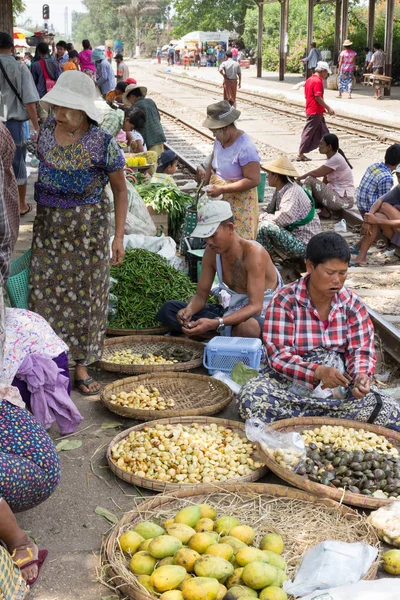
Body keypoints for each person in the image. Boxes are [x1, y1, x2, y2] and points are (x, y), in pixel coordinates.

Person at [238, 232, 400, 431]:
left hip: (338, 387)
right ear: (310, 267)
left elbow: (361, 351)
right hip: (290, 385)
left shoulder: (352, 303)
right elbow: (279, 357)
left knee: (388, 409)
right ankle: (339, 419)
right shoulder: (285, 300)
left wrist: (361, 377)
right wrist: (317, 371)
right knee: (250, 398)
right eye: (330, 273)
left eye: (342, 273)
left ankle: (307, 419)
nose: (337, 280)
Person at [28, 71, 128, 395]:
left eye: (65, 109)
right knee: (45, 295)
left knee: (86, 298)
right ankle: (49, 364)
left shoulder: (103, 143)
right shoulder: (45, 132)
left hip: (87, 234)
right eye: (56, 106)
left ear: (83, 111)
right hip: (48, 234)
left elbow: (120, 191)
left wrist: (119, 237)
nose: (58, 114)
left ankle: (81, 367)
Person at [157, 200, 282, 339]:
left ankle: (214, 331)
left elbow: (255, 307)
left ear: (230, 228)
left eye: (213, 235)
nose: (209, 242)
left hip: (263, 313)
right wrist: (189, 310)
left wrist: (217, 322)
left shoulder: (253, 253)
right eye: (205, 237)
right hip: (232, 310)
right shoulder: (211, 252)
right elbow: (201, 295)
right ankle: (214, 331)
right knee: (169, 310)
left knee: (248, 329)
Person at [201, 101, 260, 240]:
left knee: (238, 240)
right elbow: (213, 159)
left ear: (226, 127)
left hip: (239, 201)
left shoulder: (246, 147)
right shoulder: (219, 141)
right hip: (221, 198)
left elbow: (254, 179)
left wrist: (222, 189)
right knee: (220, 239)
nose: (214, 135)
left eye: (215, 131)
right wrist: (206, 179)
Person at [0, 32, 40, 217]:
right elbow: (30, 102)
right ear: (12, 48)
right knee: (17, 165)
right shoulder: (20, 68)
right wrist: (37, 127)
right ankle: (21, 205)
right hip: (14, 125)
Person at [257, 156, 321, 259]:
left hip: (304, 244)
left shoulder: (292, 191)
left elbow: (282, 219)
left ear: (276, 176)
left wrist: (260, 215)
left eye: (269, 174)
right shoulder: (281, 190)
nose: (268, 176)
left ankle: (268, 262)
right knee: (259, 222)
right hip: (296, 239)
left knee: (264, 227)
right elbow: (269, 210)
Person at [297, 133, 355, 218]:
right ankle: (325, 211)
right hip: (337, 197)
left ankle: (306, 211)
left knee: (309, 179)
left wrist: (299, 178)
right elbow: (325, 181)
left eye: (321, 144)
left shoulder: (336, 159)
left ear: (329, 147)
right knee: (306, 187)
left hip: (344, 201)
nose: (318, 146)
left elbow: (315, 173)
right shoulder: (332, 159)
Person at [353, 167, 400, 265]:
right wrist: (368, 219)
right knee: (378, 213)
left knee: (384, 208)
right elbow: (379, 200)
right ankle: (361, 257)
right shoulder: (398, 189)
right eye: (398, 177)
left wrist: (376, 220)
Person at [297, 61, 334, 162]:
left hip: (313, 110)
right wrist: (328, 108)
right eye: (326, 73)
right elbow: (317, 97)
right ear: (322, 71)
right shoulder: (318, 81)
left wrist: (321, 109)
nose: (326, 75)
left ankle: (332, 153)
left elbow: (307, 96)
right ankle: (300, 154)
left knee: (324, 132)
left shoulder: (309, 80)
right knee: (309, 132)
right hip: (315, 111)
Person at [356, 144, 400, 215]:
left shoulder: (374, 166)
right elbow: (384, 202)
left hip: (361, 206)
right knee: (391, 208)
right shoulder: (387, 178)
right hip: (369, 210)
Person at [123, 83, 166, 155]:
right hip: (159, 136)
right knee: (158, 159)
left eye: (129, 99)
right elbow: (158, 117)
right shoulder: (150, 101)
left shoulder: (135, 106)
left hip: (149, 139)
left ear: (132, 96)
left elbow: (134, 127)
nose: (129, 102)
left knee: (152, 160)